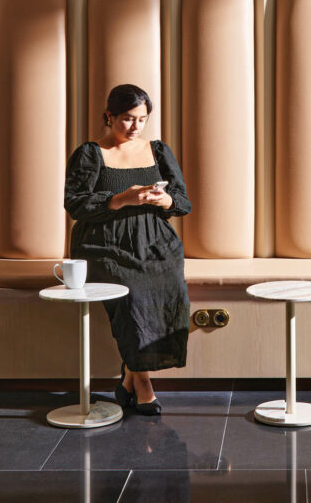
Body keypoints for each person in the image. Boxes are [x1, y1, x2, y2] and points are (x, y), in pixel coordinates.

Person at [64, 83, 191, 415]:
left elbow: (182, 202)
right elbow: (75, 204)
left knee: (169, 286)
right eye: (126, 119)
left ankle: (128, 380)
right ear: (109, 116)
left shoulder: (158, 150)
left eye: (141, 119)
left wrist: (164, 199)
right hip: (102, 242)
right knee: (133, 295)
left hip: (154, 240)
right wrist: (122, 198)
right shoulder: (90, 153)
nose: (135, 127)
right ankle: (143, 382)